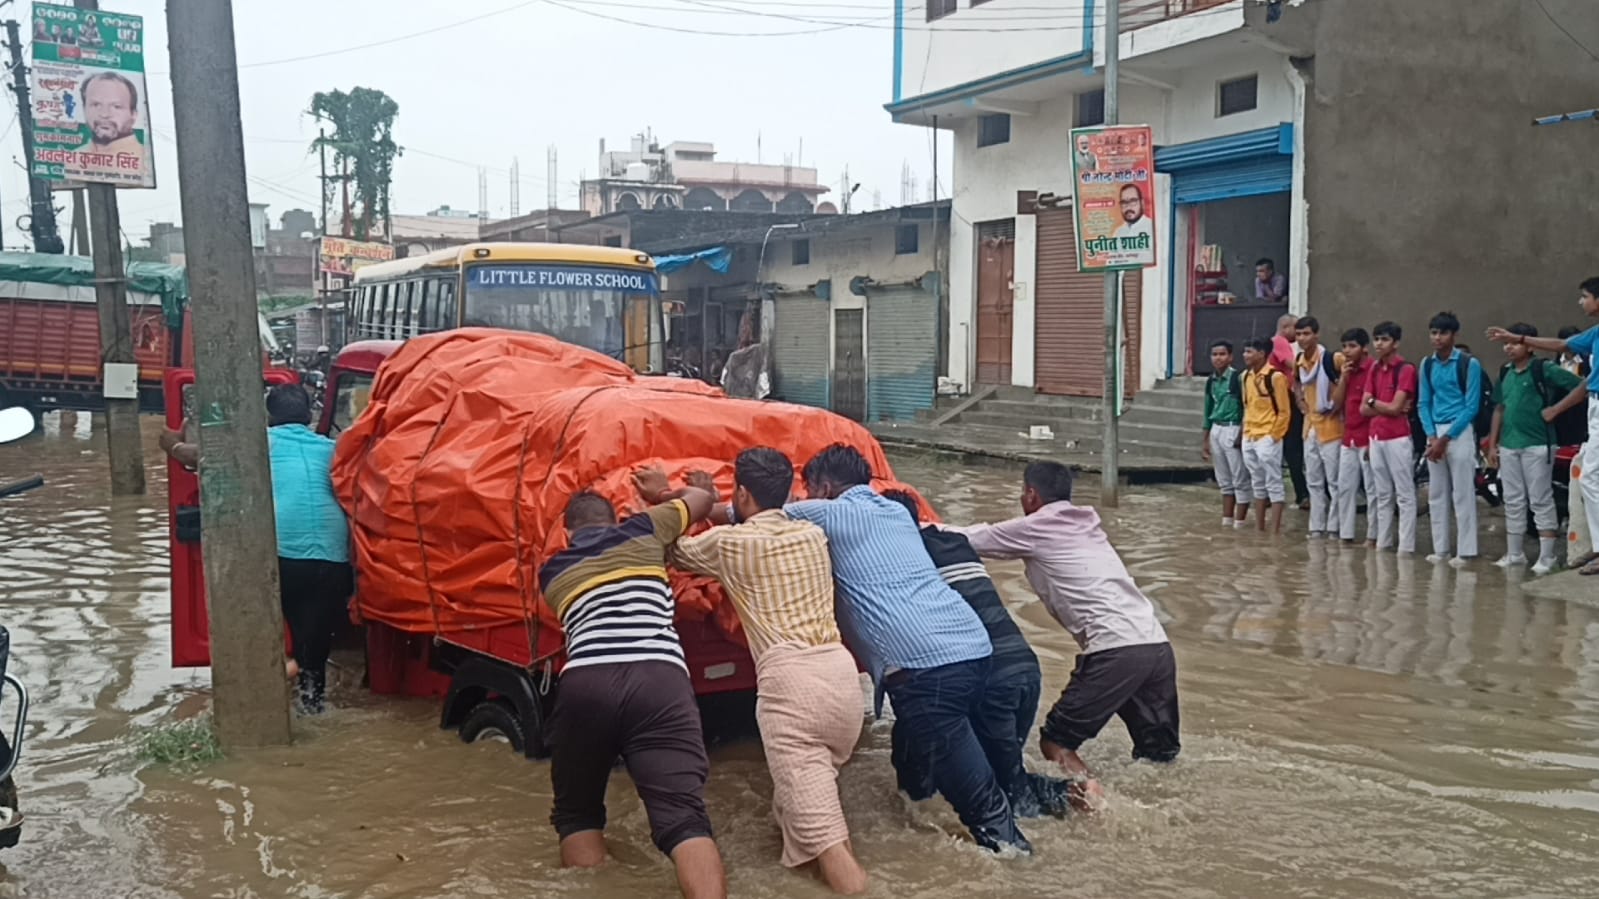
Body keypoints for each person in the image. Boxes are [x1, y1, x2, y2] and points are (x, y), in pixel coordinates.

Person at [785, 445, 1029, 855]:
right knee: (916, 763)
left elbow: (759, 516)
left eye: (809, 490)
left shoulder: (833, 513)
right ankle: (919, 823)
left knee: (980, 804)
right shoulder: (897, 512)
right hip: (972, 646)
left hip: (926, 669)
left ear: (824, 487)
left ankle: (1016, 859)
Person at [658, 450, 867, 895]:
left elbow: (670, 548)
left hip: (792, 687)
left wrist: (690, 499)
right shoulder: (812, 535)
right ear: (791, 492)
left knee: (829, 845)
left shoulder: (730, 544)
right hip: (842, 678)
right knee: (814, 814)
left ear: (744, 494)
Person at [944, 462, 1178, 807]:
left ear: (1031, 494)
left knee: (1055, 741)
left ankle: (1096, 802)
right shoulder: (1088, 525)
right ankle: (1167, 804)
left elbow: (966, 538)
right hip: (1156, 645)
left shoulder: (1037, 526)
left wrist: (904, 522)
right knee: (1158, 754)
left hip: (1114, 650)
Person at [537, 479, 726, 899]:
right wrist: (667, 493)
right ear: (616, 519)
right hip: (658, 680)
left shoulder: (552, 572)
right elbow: (702, 501)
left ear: (567, 534)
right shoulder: (642, 529)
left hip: (585, 682)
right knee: (684, 818)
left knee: (577, 813)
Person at [880, 489, 1070, 821]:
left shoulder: (906, 557)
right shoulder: (955, 542)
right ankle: (1075, 796)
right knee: (1003, 776)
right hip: (1025, 669)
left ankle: (1069, 795)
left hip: (989, 674)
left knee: (999, 791)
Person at [1487, 278, 1599, 575]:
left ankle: (1571, 553)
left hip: (1541, 441)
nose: (1581, 302)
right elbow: (1562, 345)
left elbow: (1579, 382)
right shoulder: (1595, 334)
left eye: (1585, 297)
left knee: (1581, 481)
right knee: (1518, 497)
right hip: (1516, 442)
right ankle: (1519, 553)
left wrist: (1556, 409)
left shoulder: (1544, 369)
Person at [260, 384, 353, 713]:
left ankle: (272, 688)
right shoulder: (330, 448)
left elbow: (197, 457)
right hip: (334, 556)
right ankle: (312, 703)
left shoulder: (261, 446)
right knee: (314, 638)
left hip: (286, 554)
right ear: (309, 415)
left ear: (269, 416)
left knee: (272, 625)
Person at [1417, 311, 1485, 566]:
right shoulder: (1427, 364)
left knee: (1463, 492)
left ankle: (1465, 551)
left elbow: (1471, 406)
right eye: (1433, 332)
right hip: (1434, 431)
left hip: (1460, 431)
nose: (1437, 337)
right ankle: (1441, 549)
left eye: (1442, 333)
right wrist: (1432, 435)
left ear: (1454, 335)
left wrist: (1445, 438)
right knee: (1437, 493)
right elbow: (1423, 402)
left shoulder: (1469, 364)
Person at [1363, 321, 1419, 554]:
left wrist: (1374, 402)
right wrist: (1379, 405)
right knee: (1382, 493)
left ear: (1395, 343)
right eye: (1376, 339)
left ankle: (1406, 547)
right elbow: (1363, 409)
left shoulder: (1405, 370)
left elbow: (1396, 408)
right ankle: (1383, 544)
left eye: (1384, 339)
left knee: (1404, 494)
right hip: (1376, 436)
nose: (1379, 344)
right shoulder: (1374, 369)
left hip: (1398, 437)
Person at [1294, 317, 1345, 537]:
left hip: (1332, 427)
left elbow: (1352, 374)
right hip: (1310, 427)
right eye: (1298, 334)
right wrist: (1299, 401)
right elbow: (1296, 383)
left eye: (1306, 333)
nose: (1302, 338)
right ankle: (1316, 527)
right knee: (1313, 480)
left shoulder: (1332, 359)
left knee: (1334, 481)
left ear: (1316, 334)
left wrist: (1336, 401)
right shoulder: (1299, 361)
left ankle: (1334, 528)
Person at [1331, 328, 1378, 546]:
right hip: (1348, 436)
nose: (1347, 351)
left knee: (1372, 490)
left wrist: (1371, 440)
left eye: (1352, 346)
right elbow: (1336, 403)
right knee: (1345, 487)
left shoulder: (1374, 370)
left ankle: (1372, 536)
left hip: (1368, 437)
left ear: (1364, 348)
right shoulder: (1346, 370)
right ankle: (1346, 534)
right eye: (1344, 346)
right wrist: (1343, 377)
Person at [1241, 336, 1292, 533]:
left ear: (1262, 354)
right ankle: (1260, 527)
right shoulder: (1245, 376)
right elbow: (1247, 406)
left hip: (1267, 435)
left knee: (1274, 482)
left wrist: (1273, 437)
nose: (1245, 355)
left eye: (1249, 351)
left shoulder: (1275, 377)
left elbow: (1284, 411)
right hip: (1250, 434)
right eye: (1245, 351)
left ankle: (1275, 529)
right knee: (1257, 482)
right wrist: (1245, 432)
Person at [1201, 339, 1247, 528]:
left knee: (1240, 478)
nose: (1218, 358)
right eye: (1214, 354)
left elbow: (1246, 407)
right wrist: (1205, 440)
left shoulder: (1238, 378)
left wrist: (1241, 434)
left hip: (1233, 427)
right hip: (1216, 429)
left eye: (1222, 354)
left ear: (1230, 357)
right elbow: (1207, 410)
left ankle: (1240, 522)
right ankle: (1226, 520)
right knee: (1224, 479)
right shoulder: (1211, 381)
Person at [71, 72, 147, 183]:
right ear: (84, 109)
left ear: (133, 114)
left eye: (116, 107)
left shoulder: (145, 161)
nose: (104, 114)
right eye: (96, 105)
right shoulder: (71, 160)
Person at [1270, 313, 1311, 508]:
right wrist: (1313, 366)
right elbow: (1291, 365)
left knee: (1291, 449)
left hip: (1283, 398)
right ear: (1286, 327)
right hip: (1284, 399)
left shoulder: (1277, 343)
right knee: (1294, 448)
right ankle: (1302, 494)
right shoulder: (1279, 342)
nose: (1299, 336)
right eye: (1297, 330)